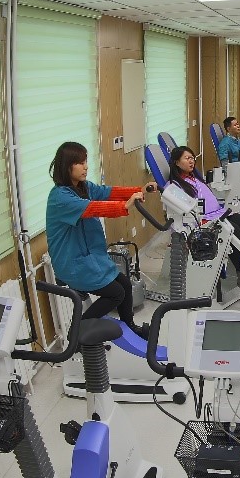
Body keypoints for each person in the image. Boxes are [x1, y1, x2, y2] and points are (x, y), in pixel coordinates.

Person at [46, 141, 156, 336]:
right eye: (80, 163)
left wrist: (138, 190)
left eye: (86, 161)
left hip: (89, 258)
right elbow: (91, 208)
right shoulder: (59, 198)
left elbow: (107, 192)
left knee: (125, 284)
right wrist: (125, 206)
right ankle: (77, 332)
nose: (86, 167)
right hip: (72, 263)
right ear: (67, 166)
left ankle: (130, 327)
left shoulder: (83, 187)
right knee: (116, 294)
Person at [167, 146, 240, 292]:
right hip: (203, 221)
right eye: (187, 158)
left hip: (218, 213)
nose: (191, 161)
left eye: (192, 158)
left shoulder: (195, 178)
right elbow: (177, 214)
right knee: (234, 230)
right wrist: (184, 236)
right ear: (176, 162)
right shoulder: (174, 186)